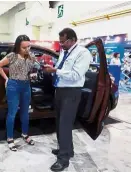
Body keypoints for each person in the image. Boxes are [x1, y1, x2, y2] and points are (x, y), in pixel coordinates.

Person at [43, 28, 92, 171]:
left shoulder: (83, 53)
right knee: (59, 123)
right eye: (60, 41)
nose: (61, 44)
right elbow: (60, 68)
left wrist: (55, 71)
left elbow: (76, 75)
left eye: (63, 42)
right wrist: (52, 69)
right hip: (60, 91)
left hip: (71, 92)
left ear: (72, 40)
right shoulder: (65, 52)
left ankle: (63, 159)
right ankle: (67, 150)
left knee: (65, 124)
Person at [0, 35, 38, 151]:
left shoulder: (31, 56)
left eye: (29, 46)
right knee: (12, 112)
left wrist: (32, 74)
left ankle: (25, 134)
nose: (27, 49)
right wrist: (6, 78)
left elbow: (34, 68)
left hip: (26, 85)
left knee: (25, 112)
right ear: (18, 46)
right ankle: (10, 138)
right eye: (24, 47)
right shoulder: (12, 56)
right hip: (13, 85)